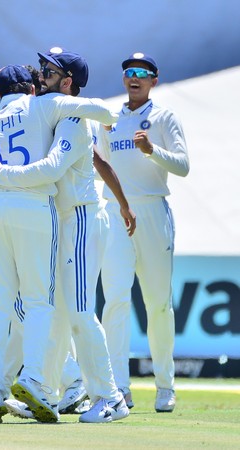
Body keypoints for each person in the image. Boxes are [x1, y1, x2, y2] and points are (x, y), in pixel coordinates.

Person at [0, 48, 135, 423]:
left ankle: (110, 397)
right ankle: (43, 390)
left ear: (67, 82)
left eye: (49, 70)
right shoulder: (52, 112)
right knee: (56, 315)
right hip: (60, 220)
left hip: (80, 218)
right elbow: (94, 161)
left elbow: (51, 168)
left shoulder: (73, 117)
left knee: (79, 310)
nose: (40, 74)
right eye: (42, 68)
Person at [97, 52, 189, 413]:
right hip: (116, 213)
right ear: (123, 80)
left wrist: (152, 150)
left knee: (158, 304)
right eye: (128, 73)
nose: (134, 78)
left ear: (154, 79)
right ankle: (119, 386)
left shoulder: (164, 117)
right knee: (115, 300)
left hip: (152, 210)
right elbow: (100, 163)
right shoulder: (109, 119)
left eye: (142, 73)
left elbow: (183, 166)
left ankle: (165, 386)